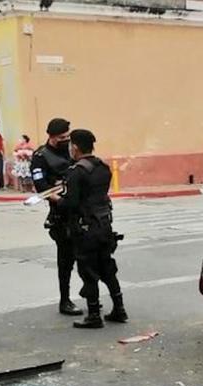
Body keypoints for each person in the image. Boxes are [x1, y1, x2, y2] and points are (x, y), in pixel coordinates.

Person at [52, 129, 128, 329]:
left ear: (75, 147)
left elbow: (71, 204)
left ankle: (94, 315)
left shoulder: (76, 172)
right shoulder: (103, 167)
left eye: (70, 145)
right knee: (108, 268)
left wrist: (55, 198)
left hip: (86, 228)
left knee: (88, 271)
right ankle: (119, 308)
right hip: (104, 225)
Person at [31, 118, 82, 316]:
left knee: (86, 255)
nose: (66, 140)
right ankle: (65, 300)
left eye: (68, 136)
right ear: (51, 137)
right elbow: (41, 187)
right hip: (61, 212)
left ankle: (90, 294)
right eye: (62, 137)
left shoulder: (72, 151)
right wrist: (60, 200)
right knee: (65, 259)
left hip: (79, 209)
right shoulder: (41, 156)